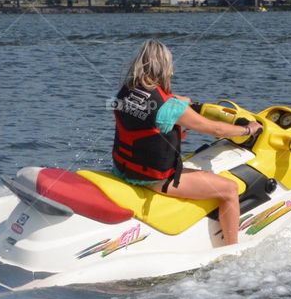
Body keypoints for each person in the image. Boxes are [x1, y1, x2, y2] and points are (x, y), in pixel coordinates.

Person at [111, 40, 262, 246]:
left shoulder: (126, 92)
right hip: (153, 179)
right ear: (165, 68)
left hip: (123, 169)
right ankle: (231, 249)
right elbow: (215, 129)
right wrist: (247, 129)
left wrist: (183, 103)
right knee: (230, 189)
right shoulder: (172, 108)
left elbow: (148, 115)